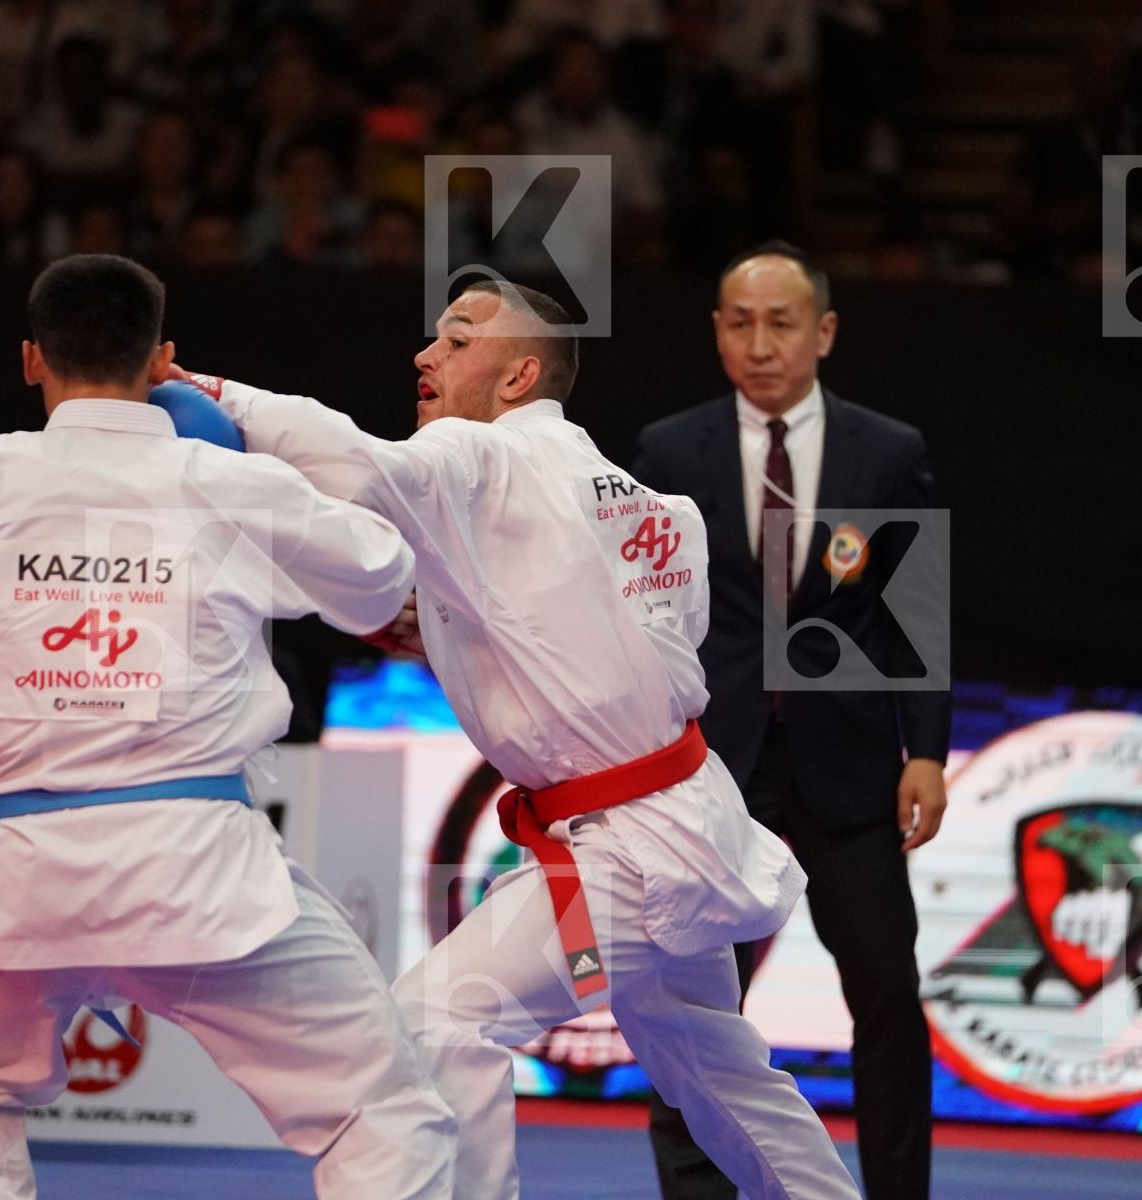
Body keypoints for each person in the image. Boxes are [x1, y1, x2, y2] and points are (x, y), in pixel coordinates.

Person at [0, 253, 455, 1200]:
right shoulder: (220, 478)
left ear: (30, 359)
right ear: (164, 359)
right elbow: (380, 577)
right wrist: (255, 470)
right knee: (380, 1109)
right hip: (200, 879)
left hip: (26, 878)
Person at [192, 279, 860, 1200]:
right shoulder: (661, 512)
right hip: (685, 818)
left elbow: (353, 462)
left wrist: (210, 393)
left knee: (439, 1023)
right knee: (720, 1066)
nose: (427, 356)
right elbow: (595, 646)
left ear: (520, 375)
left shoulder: (482, 457)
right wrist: (446, 629)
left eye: (458, 339)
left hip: (619, 852)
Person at [631, 241, 950, 1200]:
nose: (760, 344)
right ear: (718, 332)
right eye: (740, 322)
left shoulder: (887, 452)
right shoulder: (667, 451)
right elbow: (643, 614)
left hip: (848, 771)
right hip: (711, 775)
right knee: (691, 1007)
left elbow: (917, 616)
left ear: (824, 331)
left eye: (780, 322)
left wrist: (926, 752)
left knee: (888, 997)